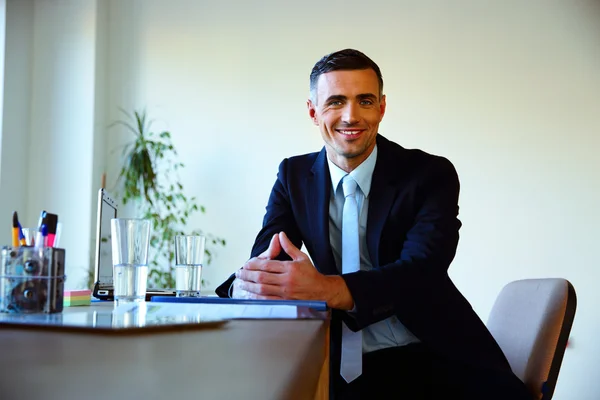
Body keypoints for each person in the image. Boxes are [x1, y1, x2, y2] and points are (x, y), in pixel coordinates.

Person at [216, 49, 531, 400]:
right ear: (313, 111)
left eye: (364, 101)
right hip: (334, 366)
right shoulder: (293, 176)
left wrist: (324, 289)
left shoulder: (429, 175)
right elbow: (268, 257)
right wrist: (249, 285)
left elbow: (421, 271)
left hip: (433, 358)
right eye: (335, 101)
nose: (351, 116)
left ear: (381, 108)